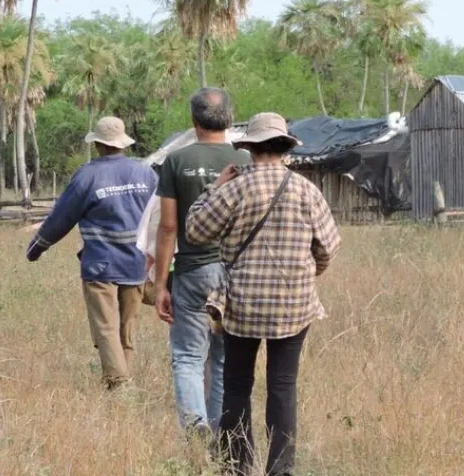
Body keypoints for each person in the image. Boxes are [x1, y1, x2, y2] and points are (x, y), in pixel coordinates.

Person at [186, 112, 341, 476]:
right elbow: (328, 248)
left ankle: (236, 466)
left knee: (237, 384)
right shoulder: (306, 190)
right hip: (294, 305)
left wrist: (214, 187)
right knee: (283, 385)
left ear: (250, 149)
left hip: (242, 304)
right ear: (285, 148)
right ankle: (280, 468)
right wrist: (306, 274)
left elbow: (194, 230)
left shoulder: (236, 188)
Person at [26, 116, 157, 390]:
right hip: (137, 265)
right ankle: (122, 380)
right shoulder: (145, 173)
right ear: (123, 144)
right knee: (126, 328)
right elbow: (160, 215)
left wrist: (37, 247)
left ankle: (120, 385)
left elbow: (62, 217)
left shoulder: (86, 176)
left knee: (105, 327)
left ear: (97, 144)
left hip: (101, 265)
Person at [154, 88, 250, 437]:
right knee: (224, 360)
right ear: (229, 116)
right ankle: (220, 432)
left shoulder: (175, 162)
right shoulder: (246, 161)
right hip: (235, 275)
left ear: (193, 119)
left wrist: (161, 283)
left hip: (192, 272)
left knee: (188, 357)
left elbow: (167, 227)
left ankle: (194, 426)